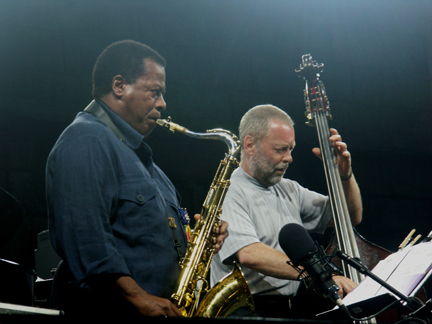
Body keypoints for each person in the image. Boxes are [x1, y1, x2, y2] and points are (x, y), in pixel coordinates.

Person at [46, 40, 228, 319]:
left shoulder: (148, 165)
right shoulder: (86, 140)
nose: (163, 104)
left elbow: (174, 213)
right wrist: (139, 299)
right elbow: (87, 240)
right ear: (119, 86)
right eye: (155, 92)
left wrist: (195, 232)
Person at [210, 104, 362, 318]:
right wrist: (322, 276)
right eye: (280, 149)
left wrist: (344, 176)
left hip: (292, 308)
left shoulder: (290, 189)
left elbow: (350, 217)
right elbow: (249, 253)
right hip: (248, 310)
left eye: (291, 149)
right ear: (250, 144)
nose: (289, 157)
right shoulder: (230, 189)